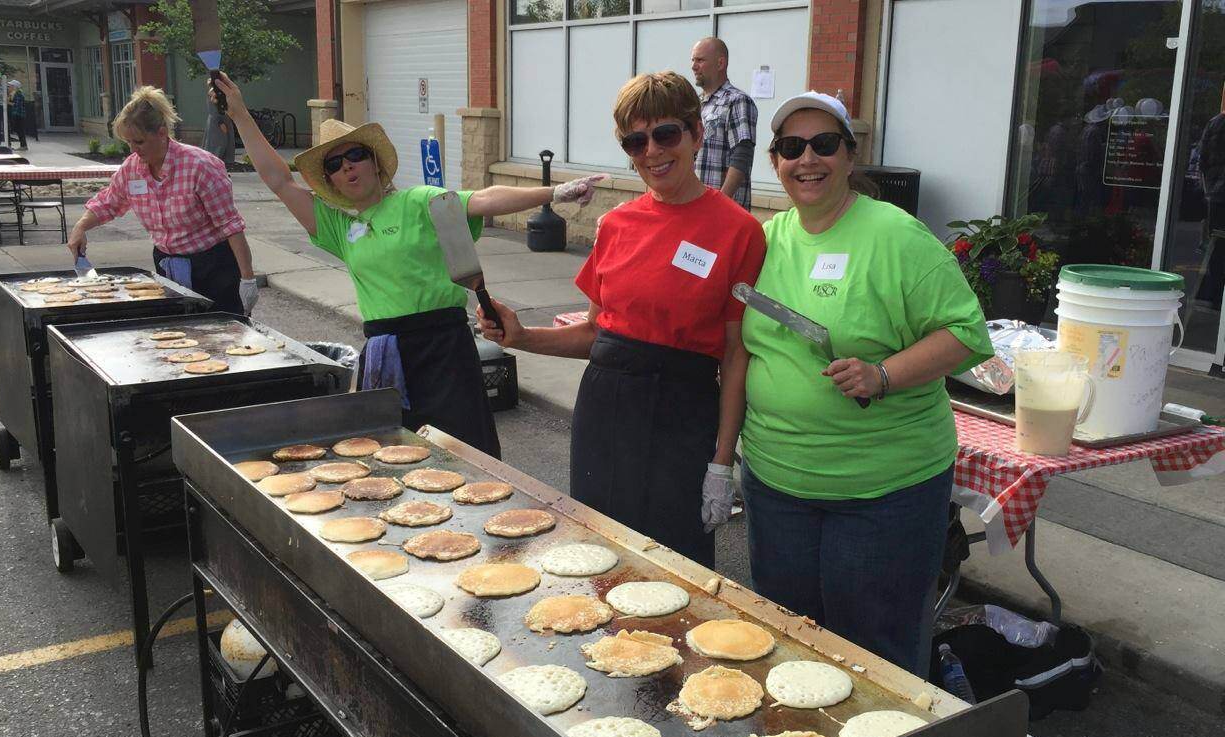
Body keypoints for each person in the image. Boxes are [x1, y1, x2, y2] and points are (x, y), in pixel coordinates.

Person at [212, 73, 604, 459]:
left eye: (356, 155)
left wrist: (555, 192)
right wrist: (240, 114)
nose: (348, 166)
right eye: (335, 163)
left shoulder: (418, 201)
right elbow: (278, 181)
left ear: (375, 162)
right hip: (386, 355)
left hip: (445, 348)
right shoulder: (337, 227)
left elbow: (482, 199)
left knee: (466, 456)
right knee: (391, 456)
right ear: (329, 181)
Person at [736, 92, 993, 675]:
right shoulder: (767, 239)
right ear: (774, 160)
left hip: (881, 493)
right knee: (788, 641)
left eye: (824, 144)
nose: (808, 159)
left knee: (874, 654)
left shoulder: (895, 235)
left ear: (851, 156)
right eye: (791, 147)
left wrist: (883, 374)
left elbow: (968, 333)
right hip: (777, 485)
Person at [479, 72, 766, 567]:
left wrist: (722, 461)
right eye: (635, 141)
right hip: (606, 410)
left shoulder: (740, 231)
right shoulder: (616, 224)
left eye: (666, 134)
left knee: (675, 566)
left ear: (697, 134)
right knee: (600, 553)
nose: (652, 151)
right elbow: (596, 334)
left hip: (683, 412)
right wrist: (522, 336)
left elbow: (736, 355)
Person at [69, 86, 257, 316]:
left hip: (213, 268)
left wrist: (247, 279)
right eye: (128, 142)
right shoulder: (132, 169)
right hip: (167, 265)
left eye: (139, 142)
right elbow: (109, 202)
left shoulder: (200, 166)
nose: (133, 150)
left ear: (161, 133)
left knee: (221, 336)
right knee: (175, 336)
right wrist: (81, 226)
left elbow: (231, 227)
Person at [690, 37, 758, 211]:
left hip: (725, 212)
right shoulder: (697, 105)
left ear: (720, 63)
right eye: (693, 60)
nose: (693, 66)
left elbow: (742, 155)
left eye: (700, 60)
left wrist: (721, 202)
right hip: (697, 206)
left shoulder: (737, 101)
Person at [1196, 82, 1225, 310]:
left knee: (1216, 244)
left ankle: (1209, 293)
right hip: (1219, 192)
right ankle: (1214, 295)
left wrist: (1207, 189)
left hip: (1215, 194)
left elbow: (1202, 159)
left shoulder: (1215, 122)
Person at [7, 81, 27, 150]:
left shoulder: (18, 94)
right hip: (17, 114)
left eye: (10, 86)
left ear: (14, 87)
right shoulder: (13, 94)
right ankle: (23, 145)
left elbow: (16, 105)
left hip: (19, 115)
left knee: (20, 130)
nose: (8, 87)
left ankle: (23, 146)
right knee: (19, 130)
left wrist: (8, 102)